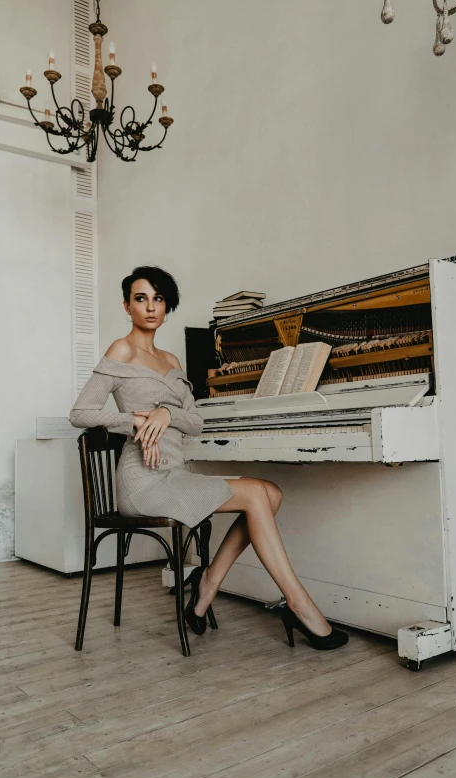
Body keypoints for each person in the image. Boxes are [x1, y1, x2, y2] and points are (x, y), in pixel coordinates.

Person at [69, 265, 348, 651]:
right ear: (126, 306)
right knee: (255, 495)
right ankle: (300, 606)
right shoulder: (122, 350)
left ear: (167, 307)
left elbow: (196, 423)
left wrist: (167, 414)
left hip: (175, 473)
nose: (150, 307)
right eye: (141, 298)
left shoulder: (171, 361)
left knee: (270, 493)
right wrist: (135, 419)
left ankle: (206, 587)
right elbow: (80, 413)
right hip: (142, 482)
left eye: (159, 298)